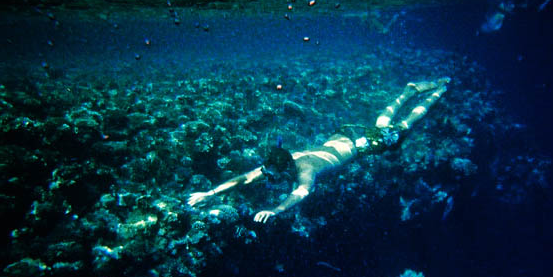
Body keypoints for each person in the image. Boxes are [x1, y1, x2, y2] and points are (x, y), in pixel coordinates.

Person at [187, 77, 450, 222]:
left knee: (405, 125)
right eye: (267, 173)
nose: (267, 177)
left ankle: (436, 93)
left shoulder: (305, 169)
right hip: (346, 135)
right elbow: (244, 178)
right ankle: (407, 92)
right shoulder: (281, 161)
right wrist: (210, 193)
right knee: (382, 123)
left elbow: (301, 193)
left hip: (361, 143)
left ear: (285, 168)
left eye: (271, 175)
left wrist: (275, 210)